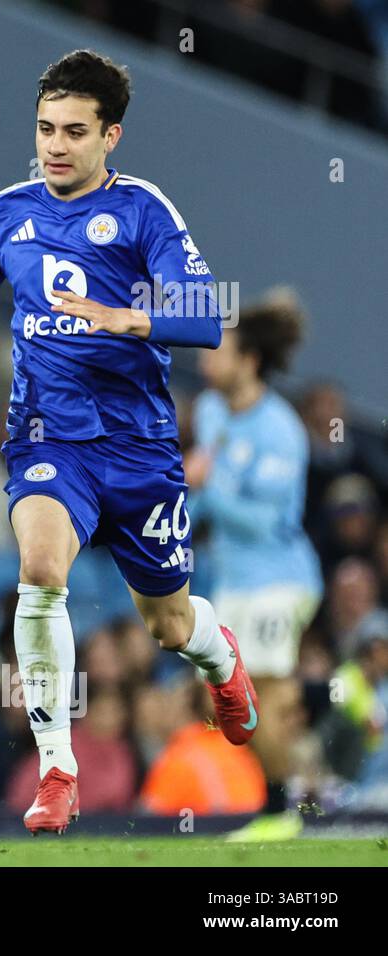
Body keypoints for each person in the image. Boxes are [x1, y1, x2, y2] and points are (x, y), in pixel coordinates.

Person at [0, 49, 256, 834]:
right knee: (40, 569)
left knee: (167, 624)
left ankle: (220, 656)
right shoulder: (4, 215)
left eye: (74, 131)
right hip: (47, 435)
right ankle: (58, 768)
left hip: (140, 447)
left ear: (110, 135)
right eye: (45, 129)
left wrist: (128, 317)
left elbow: (204, 317)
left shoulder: (144, 211)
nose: (55, 145)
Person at [190, 291, 323, 841]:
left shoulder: (281, 431)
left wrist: (209, 486)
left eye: (218, 351)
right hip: (233, 579)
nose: (206, 359)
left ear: (248, 361)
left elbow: (265, 523)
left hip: (280, 578)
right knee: (226, 694)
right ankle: (312, 742)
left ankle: (282, 809)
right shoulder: (210, 410)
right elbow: (200, 496)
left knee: (263, 685)